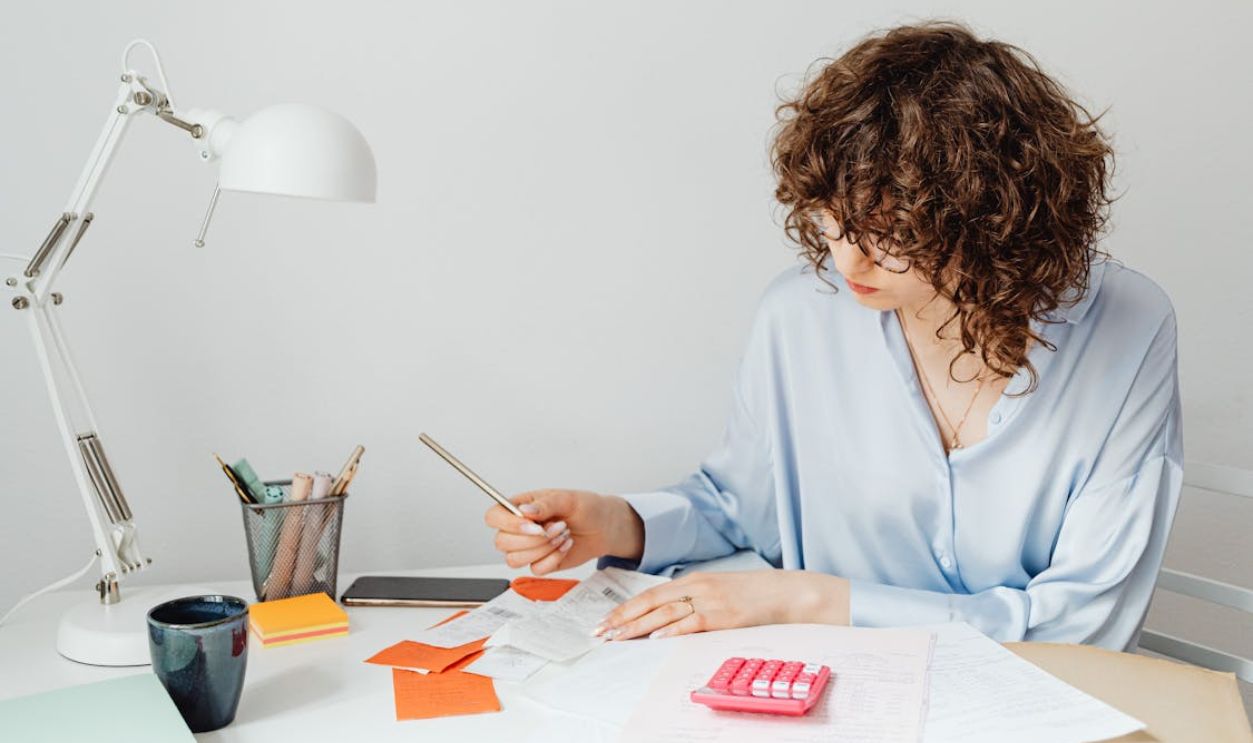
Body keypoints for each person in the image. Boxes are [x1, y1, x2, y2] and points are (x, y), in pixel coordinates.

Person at [485, 22, 1182, 651]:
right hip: (837, 694)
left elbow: (1082, 623)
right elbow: (743, 507)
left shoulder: (1126, 326)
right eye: (832, 220)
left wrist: (810, 598)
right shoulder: (799, 316)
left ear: (992, 218)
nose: (850, 261)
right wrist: (617, 522)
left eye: (894, 234)